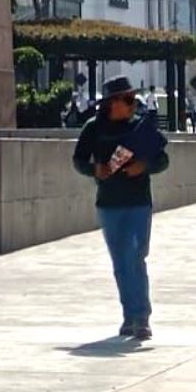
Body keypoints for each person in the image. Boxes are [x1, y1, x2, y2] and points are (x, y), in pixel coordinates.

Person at [73, 74, 170, 341]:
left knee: (136, 257)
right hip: (109, 203)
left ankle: (142, 317)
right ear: (111, 103)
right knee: (120, 262)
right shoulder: (94, 128)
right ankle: (129, 315)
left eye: (132, 99)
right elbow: (79, 160)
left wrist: (144, 166)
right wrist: (96, 169)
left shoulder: (140, 127)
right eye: (127, 100)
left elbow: (163, 160)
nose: (132, 104)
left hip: (138, 202)